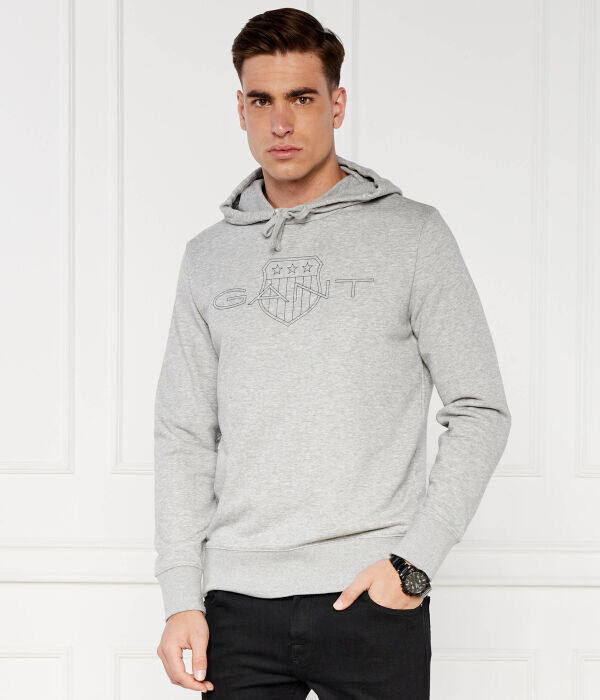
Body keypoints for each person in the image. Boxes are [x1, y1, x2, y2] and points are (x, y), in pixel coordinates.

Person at [153, 7, 511, 699]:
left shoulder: (412, 236)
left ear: (337, 104)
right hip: (236, 607)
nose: (281, 123)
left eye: (302, 98)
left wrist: (414, 564)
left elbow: (480, 409)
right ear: (240, 109)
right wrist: (180, 597)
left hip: (371, 596)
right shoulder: (208, 258)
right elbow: (183, 435)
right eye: (262, 101)